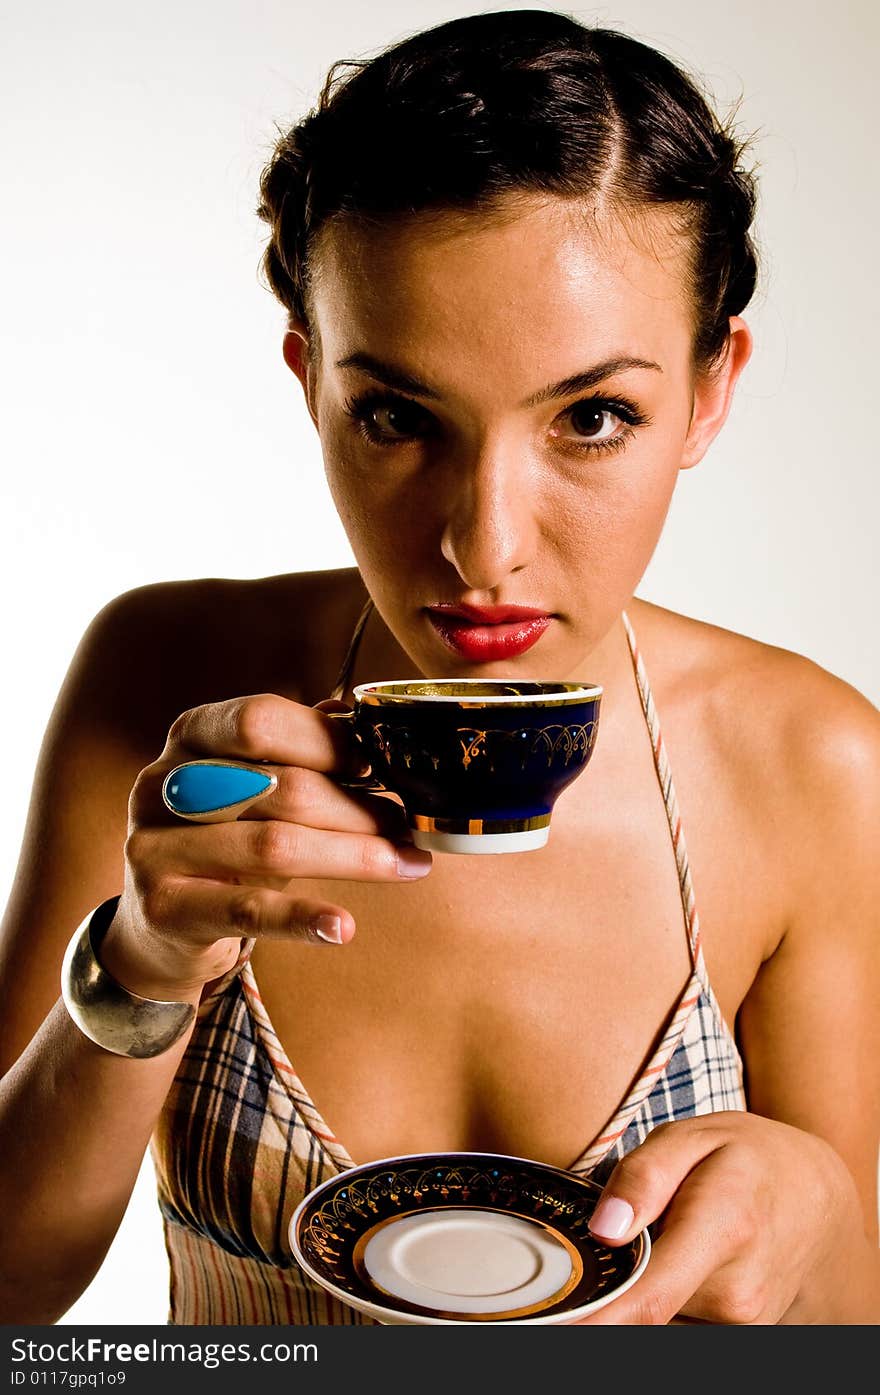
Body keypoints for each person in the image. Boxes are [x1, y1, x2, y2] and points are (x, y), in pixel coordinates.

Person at [0, 8, 877, 1327]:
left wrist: (815, 1223)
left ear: (709, 392)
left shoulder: (811, 765)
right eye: (400, 418)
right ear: (313, 386)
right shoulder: (166, 690)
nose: (484, 545)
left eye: (592, 417)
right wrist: (142, 960)